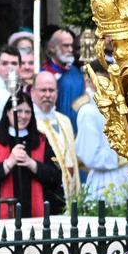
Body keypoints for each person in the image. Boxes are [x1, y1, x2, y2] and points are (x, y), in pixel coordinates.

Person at [0, 91, 64, 219]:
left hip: (37, 217)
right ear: (7, 112)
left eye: (28, 112)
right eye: (18, 111)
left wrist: (32, 164)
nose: (23, 116)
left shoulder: (40, 140)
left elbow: (55, 176)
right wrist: (8, 163)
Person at [75, 64, 128, 204]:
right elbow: (90, 156)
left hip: (124, 176)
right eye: (103, 79)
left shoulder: (116, 107)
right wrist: (120, 156)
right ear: (89, 81)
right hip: (104, 180)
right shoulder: (88, 111)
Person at [32, 71, 81, 205]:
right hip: (46, 193)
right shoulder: (30, 123)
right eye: (43, 90)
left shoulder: (64, 120)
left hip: (70, 190)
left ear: (57, 93)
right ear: (32, 92)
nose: (47, 95)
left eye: (51, 90)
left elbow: (73, 159)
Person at [40, 29, 83, 132]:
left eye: (71, 45)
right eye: (65, 46)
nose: (70, 50)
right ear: (52, 48)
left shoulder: (77, 72)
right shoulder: (43, 74)